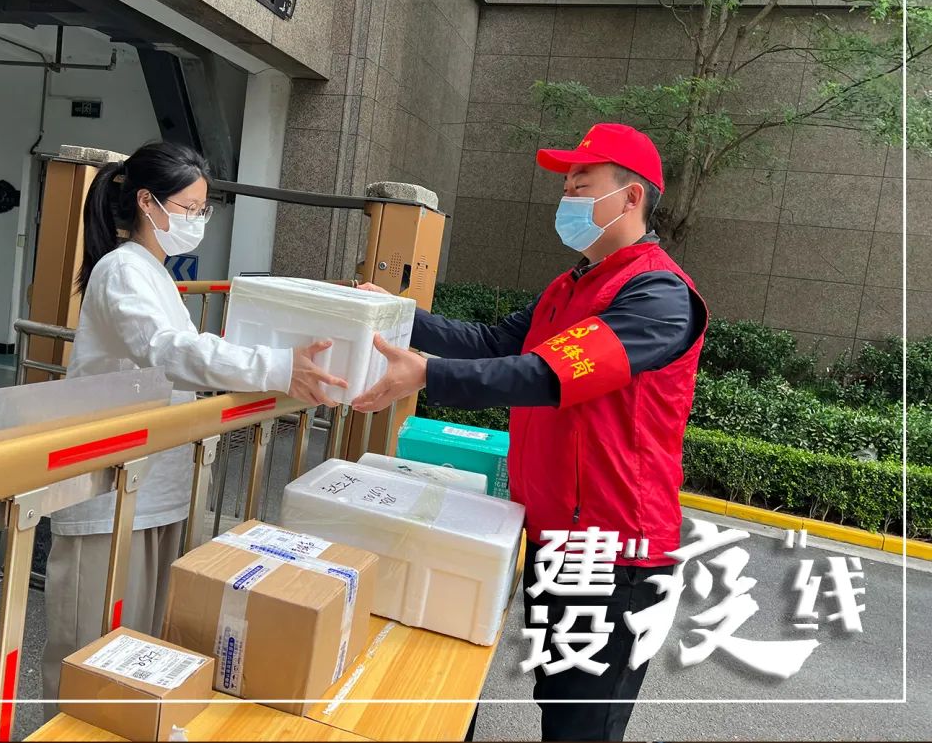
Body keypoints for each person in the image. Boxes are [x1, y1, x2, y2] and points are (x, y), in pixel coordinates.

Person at [353, 123, 708, 741]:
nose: (566, 198)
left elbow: (549, 374)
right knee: (557, 695)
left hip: (615, 550)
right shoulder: (571, 286)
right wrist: (396, 314)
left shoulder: (658, 294)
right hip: (552, 533)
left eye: (581, 185)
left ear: (631, 197)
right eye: (565, 187)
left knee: (582, 723)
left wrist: (429, 375)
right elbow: (493, 342)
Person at [41, 141, 347, 716]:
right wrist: (276, 367)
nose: (198, 220)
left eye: (203, 209)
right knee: (89, 646)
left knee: (134, 646)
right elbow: (166, 350)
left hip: (152, 485)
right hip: (111, 488)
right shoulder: (121, 269)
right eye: (189, 207)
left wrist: (271, 366)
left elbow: (184, 350)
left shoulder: (151, 271)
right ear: (147, 202)